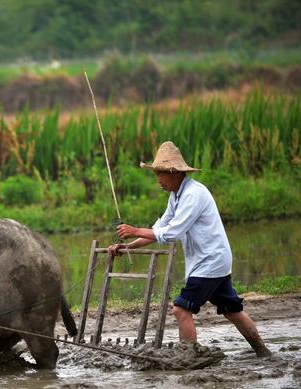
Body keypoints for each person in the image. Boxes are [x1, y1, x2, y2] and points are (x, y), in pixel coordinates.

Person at [108, 141, 271, 357]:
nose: (158, 179)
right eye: (156, 173)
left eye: (162, 174)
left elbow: (171, 234)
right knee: (232, 311)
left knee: (181, 309)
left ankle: (189, 358)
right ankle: (263, 351)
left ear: (175, 173)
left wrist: (135, 230)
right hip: (213, 261)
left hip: (209, 262)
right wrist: (127, 246)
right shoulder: (176, 196)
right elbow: (159, 229)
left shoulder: (193, 195)